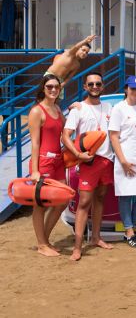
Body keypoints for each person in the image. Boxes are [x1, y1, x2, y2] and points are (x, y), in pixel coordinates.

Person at [62, 72, 114, 260]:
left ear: (103, 86)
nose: (94, 87)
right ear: (85, 86)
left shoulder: (109, 107)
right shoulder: (78, 109)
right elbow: (65, 135)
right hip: (88, 161)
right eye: (90, 84)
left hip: (106, 160)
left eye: (98, 83)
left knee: (100, 199)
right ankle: (77, 247)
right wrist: (77, 155)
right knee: (84, 203)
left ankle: (95, 238)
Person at [108, 76, 136, 249]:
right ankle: (129, 232)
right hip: (126, 158)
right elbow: (113, 136)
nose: (135, 91)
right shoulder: (119, 109)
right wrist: (123, 161)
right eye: (132, 88)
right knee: (126, 195)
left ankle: (132, 227)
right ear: (126, 88)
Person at [27, 74, 66, 257]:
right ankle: (42, 245)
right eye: (49, 86)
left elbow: (63, 132)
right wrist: (35, 170)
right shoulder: (37, 111)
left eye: (56, 87)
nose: (53, 90)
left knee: (63, 201)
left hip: (58, 161)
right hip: (43, 163)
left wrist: (75, 107)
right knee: (40, 205)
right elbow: (35, 143)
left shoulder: (58, 108)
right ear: (43, 88)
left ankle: (45, 240)